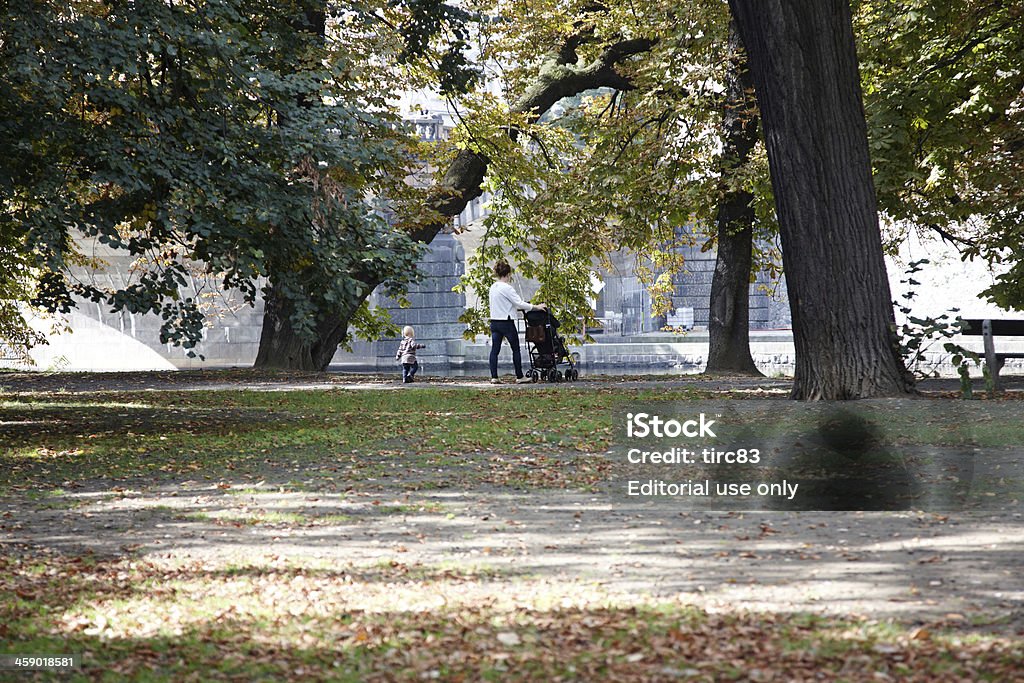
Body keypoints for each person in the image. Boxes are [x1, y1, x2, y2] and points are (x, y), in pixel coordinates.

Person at [488, 260, 546, 384]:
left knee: (495, 350)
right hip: (506, 322)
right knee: (516, 349)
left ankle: (494, 377)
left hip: (494, 322)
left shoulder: (493, 287)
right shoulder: (507, 288)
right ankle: (519, 376)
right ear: (508, 274)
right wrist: (536, 307)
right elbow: (519, 303)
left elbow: (503, 304)